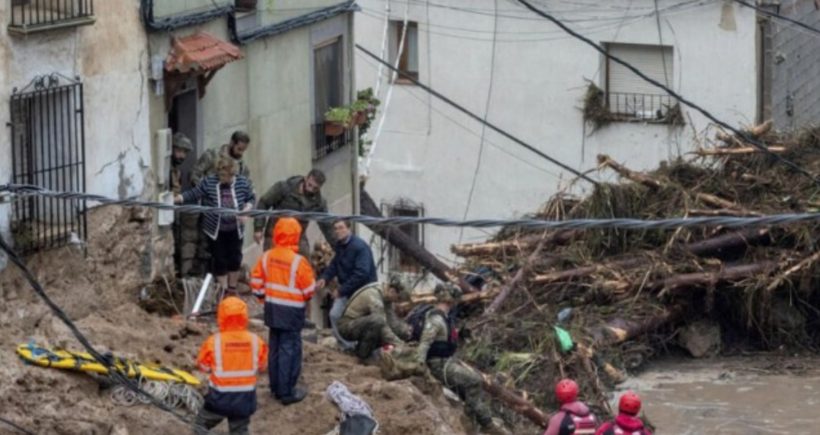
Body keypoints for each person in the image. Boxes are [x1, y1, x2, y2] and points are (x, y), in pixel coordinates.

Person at [415, 283, 511, 435]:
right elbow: (425, 343)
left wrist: (459, 335)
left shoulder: (444, 317)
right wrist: (419, 368)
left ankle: (486, 422)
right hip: (439, 365)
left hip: (447, 361)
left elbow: (443, 340)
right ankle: (470, 421)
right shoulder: (435, 319)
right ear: (451, 299)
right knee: (474, 381)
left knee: (471, 388)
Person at [250, 217, 316, 405]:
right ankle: (287, 392)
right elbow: (309, 289)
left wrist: (264, 298)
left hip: (272, 309)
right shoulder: (298, 261)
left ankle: (275, 388)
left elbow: (255, 283)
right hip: (292, 311)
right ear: (296, 235)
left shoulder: (267, 256)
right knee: (290, 349)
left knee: (276, 348)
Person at [176, 156, 255, 296]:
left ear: (232, 174)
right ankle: (223, 290)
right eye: (220, 175)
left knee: (235, 258)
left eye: (224, 176)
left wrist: (246, 209)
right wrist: (179, 198)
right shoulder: (210, 182)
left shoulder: (242, 182)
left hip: (235, 229)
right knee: (220, 259)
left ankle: (232, 289)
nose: (221, 178)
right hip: (216, 230)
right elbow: (195, 193)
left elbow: (251, 198)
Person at [194, 296, 268, 435]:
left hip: (219, 399)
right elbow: (262, 367)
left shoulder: (213, 342)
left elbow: (203, 367)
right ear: (245, 316)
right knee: (240, 431)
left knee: (200, 425)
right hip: (245, 399)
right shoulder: (256, 341)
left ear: (221, 317)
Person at [186, 131, 253, 276]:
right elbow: (195, 175)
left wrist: (245, 207)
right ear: (231, 143)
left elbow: (248, 189)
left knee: (232, 255)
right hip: (211, 216)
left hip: (232, 222)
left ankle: (225, 287)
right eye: (239, 149)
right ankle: (203, 284)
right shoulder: (211, 156)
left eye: (243, 150)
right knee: (204, 252)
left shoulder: (241, 166)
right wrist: (207, 195)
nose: (240, 153)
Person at [316, 220, 378, 351]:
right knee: (335, 314)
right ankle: (347, 347)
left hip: (363, 291)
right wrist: (325, 278)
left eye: (341, 228)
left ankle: (368, 349)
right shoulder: (340, 246)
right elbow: (335, 264)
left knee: (363, 321)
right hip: (348, 290)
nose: (338, 231)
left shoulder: (360, 247)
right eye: (336, 229)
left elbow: (362, 273)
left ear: (349, 228)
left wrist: (341, 290)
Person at [253, 169, 334, 256]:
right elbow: (264, 202)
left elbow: (327, 226)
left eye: (315, 188)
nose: (310, 189)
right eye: (309, 185)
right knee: (274, 262)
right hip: (275, 234)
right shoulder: (284, 188)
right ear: (306, 178)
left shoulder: (319, 202)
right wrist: (258, 228)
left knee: (304, 263)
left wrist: (338, 246)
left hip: (298, 237)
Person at [336, 276, 412, 360]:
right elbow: (383, 326)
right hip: (346, 325)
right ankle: (362, 356)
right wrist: (399, 344)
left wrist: (405, 332)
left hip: (360, 324)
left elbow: (392, 323)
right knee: (377, 323)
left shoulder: (386, 297)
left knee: (386, 328)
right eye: (398, 298)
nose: (396, 302)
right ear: (392, 291)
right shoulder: (374, 294)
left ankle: (362, 351)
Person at [169, 133, 194, 276]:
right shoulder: (168, 168)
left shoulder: (176, 169)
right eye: (179, 151)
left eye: (184, 152)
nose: (181, 156)